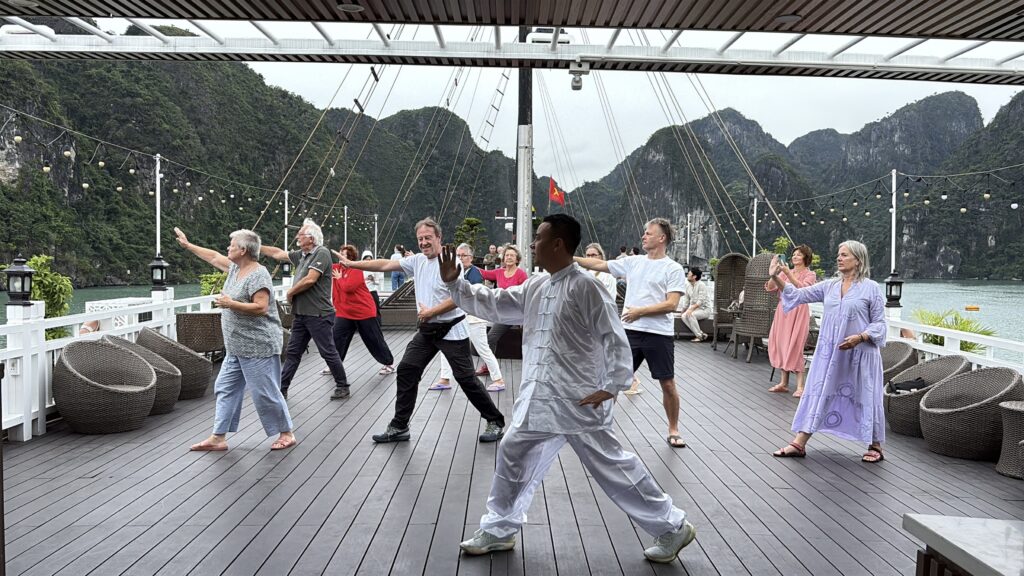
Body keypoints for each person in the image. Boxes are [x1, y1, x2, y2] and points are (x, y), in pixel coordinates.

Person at [447, 214, 695, 563]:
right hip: (539, 398)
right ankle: (499, 527)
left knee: (613, 468)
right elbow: (494, 302)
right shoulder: (536, 286)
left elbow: (614, 339)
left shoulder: (586, 287)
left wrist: (611, 386)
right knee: (511, 451)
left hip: (580, 401)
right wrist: (456, 284)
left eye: (538, 238)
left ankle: (672, 526)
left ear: (557, 244)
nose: (532, 245)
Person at [337, 217, 505, 444]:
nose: (424, 242)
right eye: (420, 239)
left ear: (438, 238)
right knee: (407, 369)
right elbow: (385, 265)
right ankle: (399, 426)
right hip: (427, 329)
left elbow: (459, 299)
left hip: (451, 329)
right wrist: (353, 264)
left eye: (428, 238)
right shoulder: (417, 261)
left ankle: (495, 420)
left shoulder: (450, 262)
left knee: (466, 378)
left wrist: (432, 312)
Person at [174, 227, 296, 451]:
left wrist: (231, 304)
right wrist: (188, 245)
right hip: (236, 346)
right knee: (225, 388)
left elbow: (260, 307)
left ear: (243, 250)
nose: (227, 248)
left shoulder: (258, 274)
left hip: (258, 345)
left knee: (265, 391)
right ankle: (218, 437)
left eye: (231, 245)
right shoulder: (234, 269)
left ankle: (286, 432)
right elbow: (212, 256)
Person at [770, 240, 887, 463]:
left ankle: (876, 446)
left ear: (858, 260)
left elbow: (880, 324)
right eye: (838, 254)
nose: (839, 258)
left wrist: (860, 337)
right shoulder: (830, 286)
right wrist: (776, 276)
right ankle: (799, 442)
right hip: (831, 354)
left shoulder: (871, 288)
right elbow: (798, 295)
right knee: (820, 391)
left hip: (861, 354)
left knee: (865, 396)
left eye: (844, 255)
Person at [577, 218, 687, 448]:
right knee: (613, 382)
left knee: (667, 384)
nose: (643, 237)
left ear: (661, 238)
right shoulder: (633, 262)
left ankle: (673, 429)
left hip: (659, 334)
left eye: (648, 233)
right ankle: (601, 426)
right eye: (644, 233)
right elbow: (598, 265)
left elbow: (672, 304)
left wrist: (641, 312)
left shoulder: (673, 268)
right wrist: (569, 258)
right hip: (630, 332)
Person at [260, 218, 349, 400]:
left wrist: (290, 293)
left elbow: (310, 279)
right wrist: (256, 246)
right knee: (293, 352)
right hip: (301, 314)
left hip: (318, 314)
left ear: (312, 238)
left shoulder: (321, 253)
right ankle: (282, 389)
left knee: (328, 351)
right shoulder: (301, 255)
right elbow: (278, 254)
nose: (297, 237)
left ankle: (342, 385)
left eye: (301, 235)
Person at [433, 243, 505, 392]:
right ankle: (444, 379)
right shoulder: (453, 271)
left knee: (482, 348)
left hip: (474, 316)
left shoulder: (475, 273)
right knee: (445, 346)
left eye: (463, 255)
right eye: (457, 256)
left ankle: (498, 379)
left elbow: (469, 294)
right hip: (455, 316)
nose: (459, 258)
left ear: (471, 257)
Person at [324, 244, 396, 377]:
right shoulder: (335, 268)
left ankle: (388, 363)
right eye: (340, 254)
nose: (341, 257)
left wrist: (339, 279)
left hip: (363, 311)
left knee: (373, 338)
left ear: (351, 258)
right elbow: (322, 267)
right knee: (337, 336)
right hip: (344, 312)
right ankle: (334, 364)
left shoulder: (356, 269)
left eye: (344, 255)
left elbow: (348, 288)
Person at [765, 244, 817, 397]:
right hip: (783, 310)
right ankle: (783, 382)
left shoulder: (810, 274)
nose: (795, 257)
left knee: (795, 345)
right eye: (794, 254)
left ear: (806, 258)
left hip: (799, 310)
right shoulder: (785, 273)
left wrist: (788, 273)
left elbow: (802, 290)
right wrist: (773, 273)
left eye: (799, 255)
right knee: (782, 344)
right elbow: (770, 287)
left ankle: (801, 386)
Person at [479, 245, 529, 374]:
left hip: (516, 313)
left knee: (491, 338)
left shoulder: (521, 274)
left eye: (512, 255)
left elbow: (527, 294)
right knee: (490, 338)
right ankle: (489, 367)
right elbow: (484, 273)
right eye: (507, 255)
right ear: (503, 258)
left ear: (517, 259)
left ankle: (490, 367)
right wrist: (466, 263)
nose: (509, 257)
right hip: (502, 313)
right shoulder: (499, 272)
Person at [679, 268, 712, 342]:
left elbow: (701, 301)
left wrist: (691, 309)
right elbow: (686, 301)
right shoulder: (688, 286)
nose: (687, 275)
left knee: (691, 315)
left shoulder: (701, 285)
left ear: (694, 276)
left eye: (689, 274)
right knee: (683, 316)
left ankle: (699, 336)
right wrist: (683, 311)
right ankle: (701, 334)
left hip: (705, 309)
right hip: (695, 310)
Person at [361, 250, 384, 323]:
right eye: (366, 259)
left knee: (376, 310)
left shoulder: (375, 269)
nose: (368, 261)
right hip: (363, 292)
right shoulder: (360, 269)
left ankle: (378, 323)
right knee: (364, 310)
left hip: (373, 291)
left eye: (370, 259)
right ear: (363, 259)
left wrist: (373, 279)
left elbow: (378, 283)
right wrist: (365, 279)